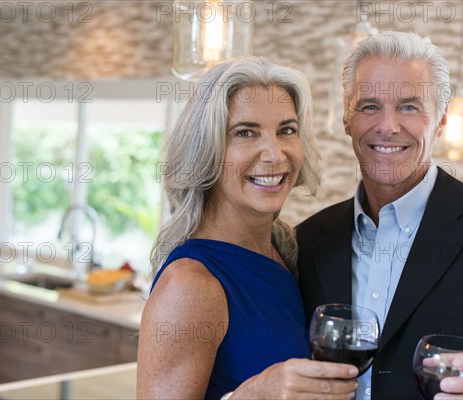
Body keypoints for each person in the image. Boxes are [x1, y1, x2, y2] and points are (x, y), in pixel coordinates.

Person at [297, 31, 463, 400]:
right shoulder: (306, 241)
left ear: (441, 120)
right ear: (346, 118)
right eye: (369, 106)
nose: (387, 126)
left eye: (408, 107)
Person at [137, 57, 359, 399]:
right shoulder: (190, 286)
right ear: (206, 151)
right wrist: (253, 394)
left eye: (286, 130)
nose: (274, 154)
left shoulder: (288, 251)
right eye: (245, 133)